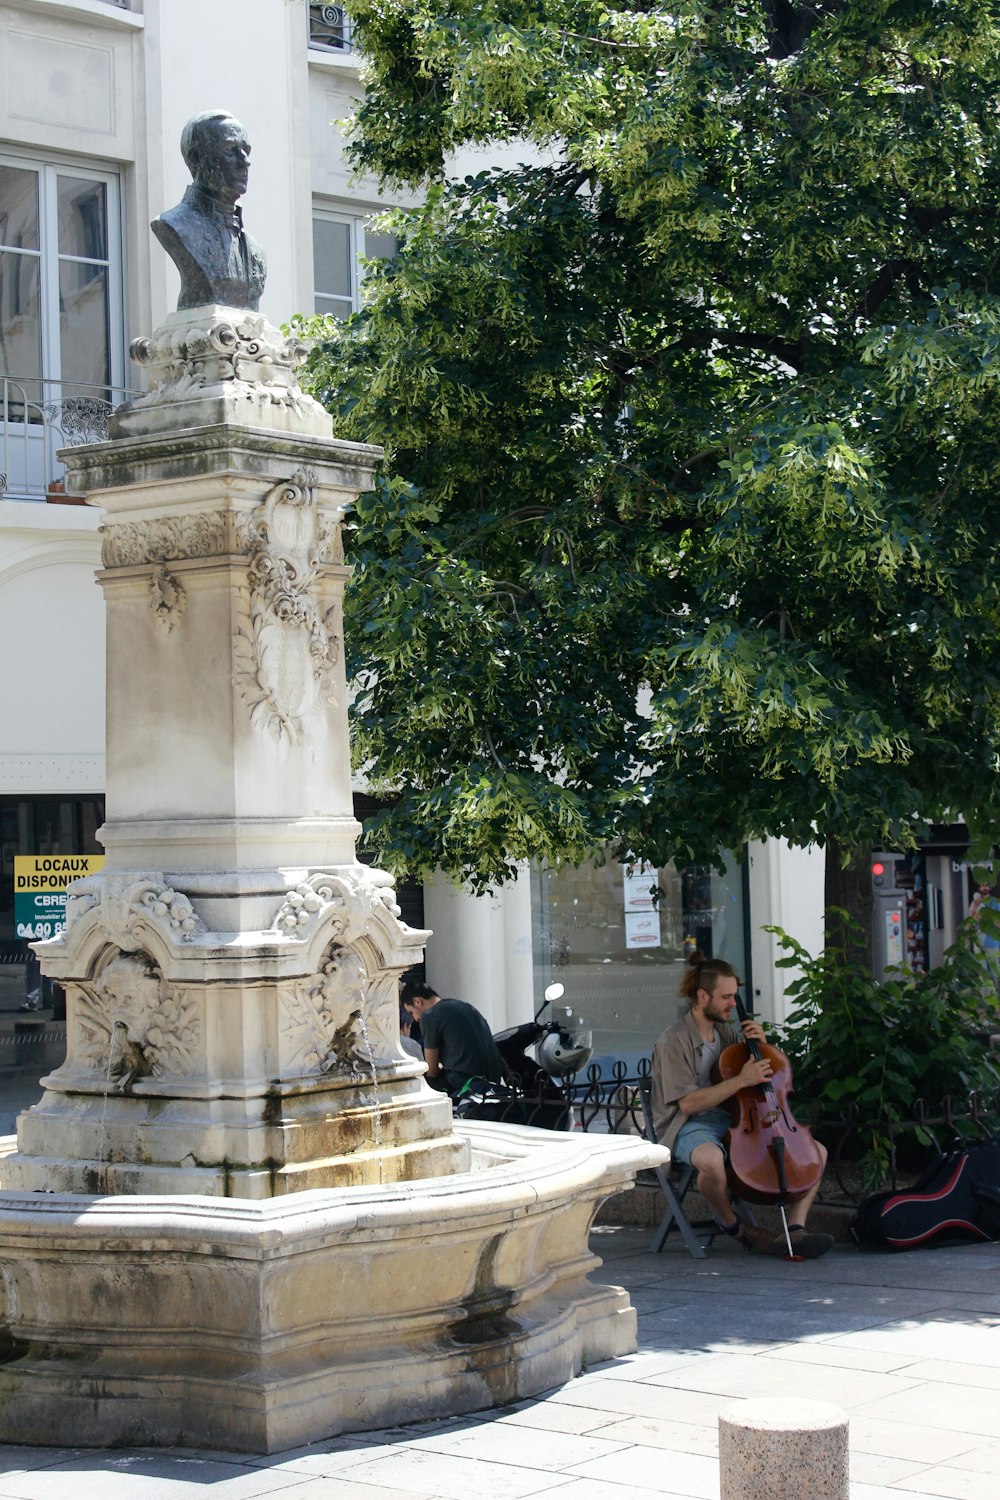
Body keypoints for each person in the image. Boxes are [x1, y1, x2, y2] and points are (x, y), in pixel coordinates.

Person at [650, 953, 833, 1259]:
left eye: (734, 996)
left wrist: (760, 1047)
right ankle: (736, 1227)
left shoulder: (727, 1033)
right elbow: (690, 1103)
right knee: (709, 1160)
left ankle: (797, 1229)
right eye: (726, 997)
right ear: (702, 996)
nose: (733, 1004)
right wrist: (741, 1080)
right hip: (687, 1125)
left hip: (732, 1119)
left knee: (818, 1152)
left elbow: (761, 1081)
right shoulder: (673, 1042)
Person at [152, 111, 267, 311]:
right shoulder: (175, 225)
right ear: (196, 158)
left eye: (246, 151)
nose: (245, 162)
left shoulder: (254, 250)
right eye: (230, 150)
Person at [400, 979, 507, 1097]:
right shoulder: (464, 1006)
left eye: (411, 1012)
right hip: (493, 1078)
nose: (414, 1019)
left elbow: (432, 1071)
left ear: (417, 1001)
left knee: (422, 1084)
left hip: (466, 1082)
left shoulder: (429, 1016)